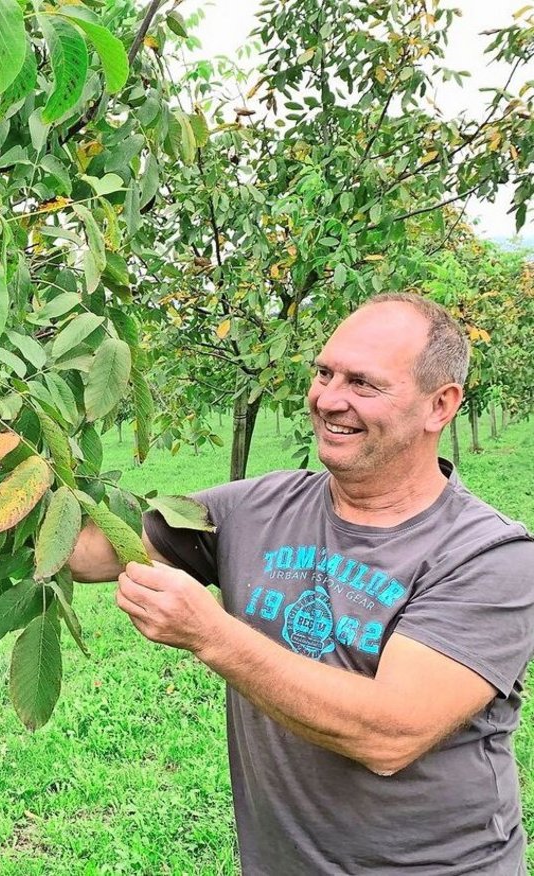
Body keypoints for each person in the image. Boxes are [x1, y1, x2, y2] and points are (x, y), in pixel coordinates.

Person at [69, 293, 534, 874]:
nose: (328, 399)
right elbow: (86, 554)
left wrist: (212, 635)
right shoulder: (256, 507)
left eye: (363, 383)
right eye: (323, 372)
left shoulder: (489, 556)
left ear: (439, 406)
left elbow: (390, 735)